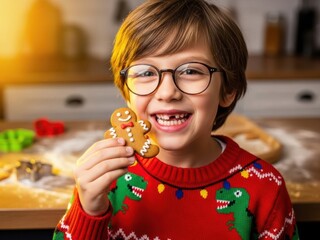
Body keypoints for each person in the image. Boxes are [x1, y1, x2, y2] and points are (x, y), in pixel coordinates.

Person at [53, 0, 299, 239]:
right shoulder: (105, 179)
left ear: (228, 90)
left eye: (191, 71)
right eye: (146, 72)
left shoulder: (265, 187)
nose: (168, 92)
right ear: (126, 92)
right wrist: (89, 211)